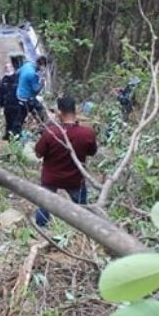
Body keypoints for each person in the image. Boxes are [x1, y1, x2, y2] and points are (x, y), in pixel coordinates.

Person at [34, 96, 98, 226]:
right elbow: (92, 152)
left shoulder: (51, 133)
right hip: (75, 178)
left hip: (51, 178)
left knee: (44, 203)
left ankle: (42, 228)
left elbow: (38, 154)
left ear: (59, 112)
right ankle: (84, 230)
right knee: (81, 208)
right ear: (76, 111)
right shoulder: (87, 133)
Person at [17, 55, 49, 127]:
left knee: (21, 116)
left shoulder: (27, 65)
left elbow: (17, 73)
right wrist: (42, 84)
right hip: (28, 98)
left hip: (20, 95)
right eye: (44, 66)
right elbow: (36, 90)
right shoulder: (33, 74)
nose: (43, 69)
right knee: (41, 112)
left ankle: (16, 132)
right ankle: (44, 128)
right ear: (42, 65)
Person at [0, 63, 21, 141]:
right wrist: (1, 105)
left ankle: (16, 138)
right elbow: (1, 93)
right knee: (8, 122)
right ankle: (8, 136)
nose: (8, 69)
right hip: (7, 105)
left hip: (17, 105)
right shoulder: (4, 80)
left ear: (13, 68)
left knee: (16, 123)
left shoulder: (18, 78)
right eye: (6, 68)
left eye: (9, 67)